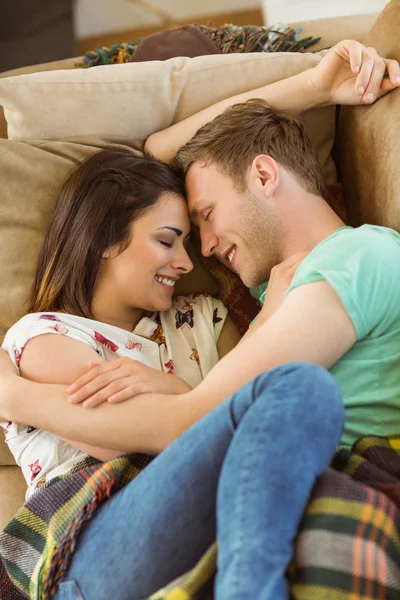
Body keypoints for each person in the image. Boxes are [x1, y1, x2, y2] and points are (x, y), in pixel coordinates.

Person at [0, 40, 399, 600]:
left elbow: (192, 416)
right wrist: (314, 88)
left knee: (299, 393)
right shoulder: (273, 288)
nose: (204, 252)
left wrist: (15, 398)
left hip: (275, 483)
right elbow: (160, 148)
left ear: (264, 176)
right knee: (298, 392)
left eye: (205, 218)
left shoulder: (355, 259)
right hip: (131, 528)